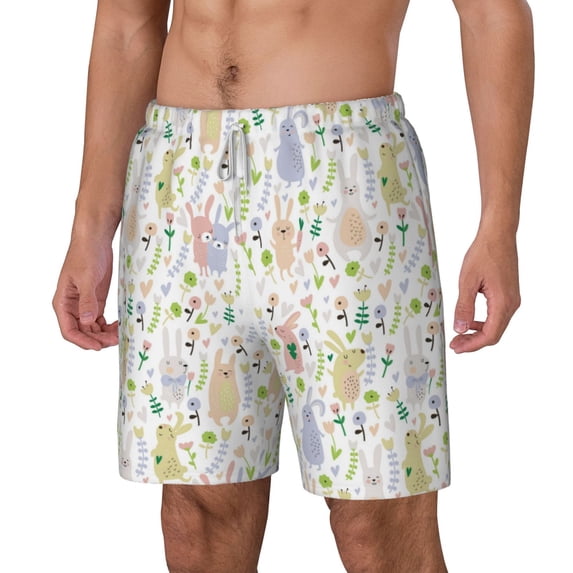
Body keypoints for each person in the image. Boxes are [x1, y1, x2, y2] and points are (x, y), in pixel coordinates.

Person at [52, 0, 534, 571]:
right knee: (198, 516)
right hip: (179, 182)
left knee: (376, 518)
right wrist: (90, 226)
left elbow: (492, 14)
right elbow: (127, 24)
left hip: (341, 174)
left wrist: (499, 226)